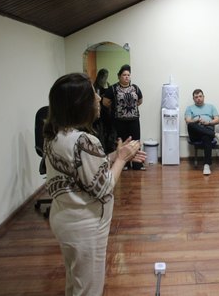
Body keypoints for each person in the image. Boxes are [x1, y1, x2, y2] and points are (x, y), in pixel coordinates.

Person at [43, 73, 146, 296]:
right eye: (93, 95)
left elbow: (83, 168)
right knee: (89, 289)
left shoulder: (54, 135)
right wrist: (121, 159)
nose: (99, 99)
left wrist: (114, 155)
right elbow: (104, 186)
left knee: (75, 282)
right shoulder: (85, 140)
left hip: (65, 220)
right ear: (80, 104)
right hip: (85, 227)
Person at [102, 64, 144, 170]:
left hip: (134, 120)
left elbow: (140, 101)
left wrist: (129, 107)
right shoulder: (113, 88)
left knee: (135, 142)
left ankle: (137, 164)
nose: (127, 77)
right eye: (124, 75)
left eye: (128, 75)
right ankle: (124, 164)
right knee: (122, 142)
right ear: (119, 76)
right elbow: (105, 102)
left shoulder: (135, 88)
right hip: (119, 121)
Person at [184, 89, 219, 175]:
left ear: (203, 97)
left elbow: (218, 120)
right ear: (193, 99)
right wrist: (196, 121)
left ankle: (207, 165)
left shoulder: (211, 107)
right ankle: (215, 134)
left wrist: (208, 122)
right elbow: (188, 120)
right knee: (190, 124)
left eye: (200, 96)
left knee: (206, 137)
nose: (198, 98)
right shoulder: (189, 108)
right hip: (195, 133)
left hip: (207, 129)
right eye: (196, 97)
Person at [93, 69, 115, 153]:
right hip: (99, 114)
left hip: (106, 112)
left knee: (109, 132)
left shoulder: (108, 86)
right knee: (101, 134)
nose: (106, 78)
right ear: (101, 77)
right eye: (105, 77)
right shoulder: (95, 87)